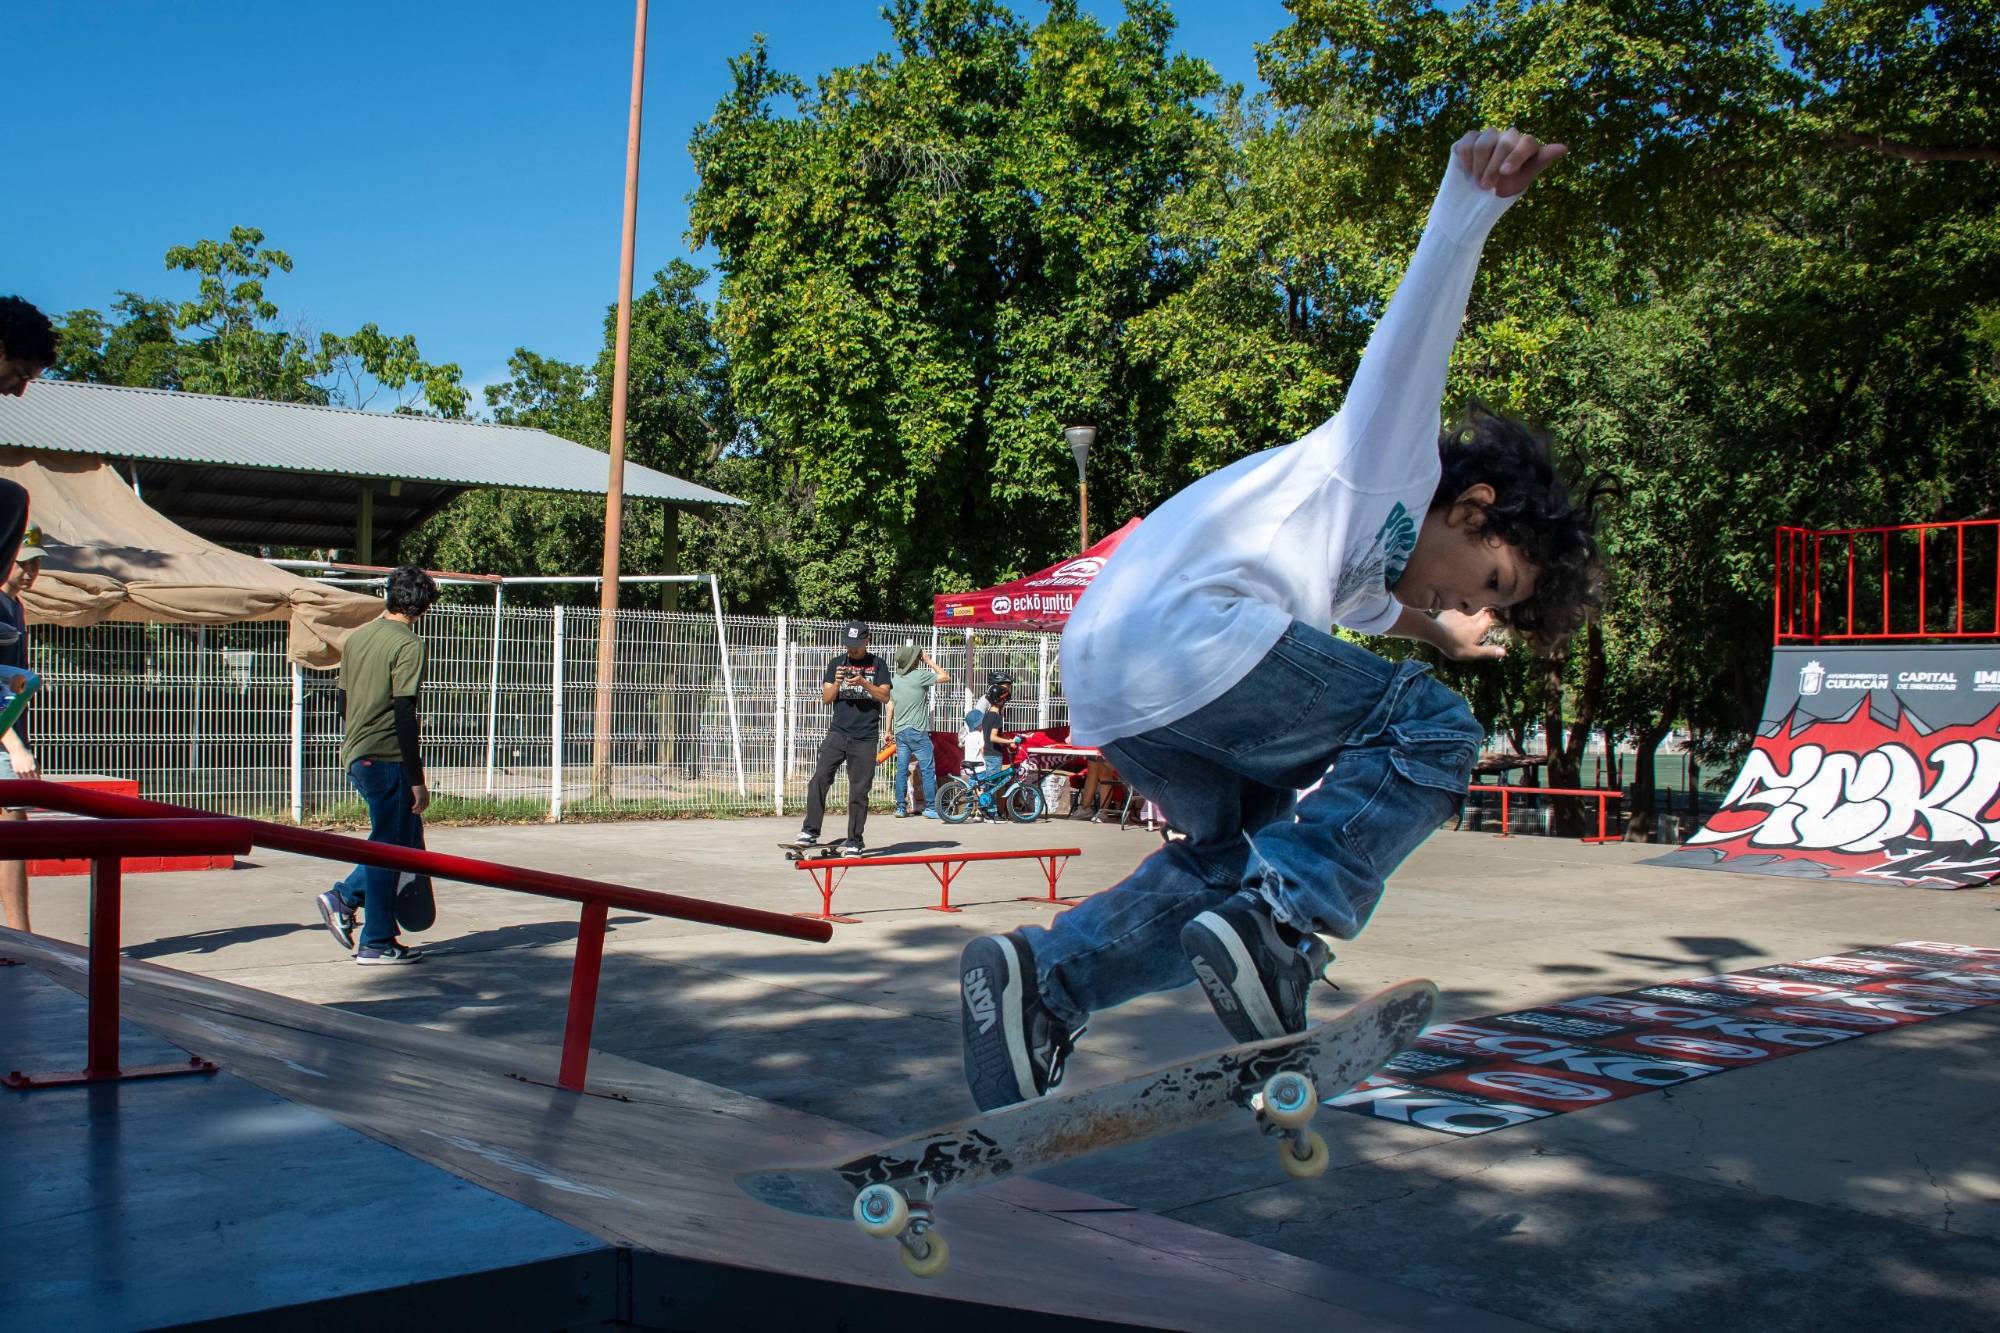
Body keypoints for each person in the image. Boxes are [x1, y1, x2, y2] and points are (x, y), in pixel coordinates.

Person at [959, 129, 1607, 1110]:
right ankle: (1281, 927)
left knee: (1229, 868)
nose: (1469, 606)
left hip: (1117, 680)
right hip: (1189, 643)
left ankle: (1047, 984)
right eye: (1488, 583)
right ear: (1471, 510)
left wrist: (1440, 633)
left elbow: (1375, 607)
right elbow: (1410, 342)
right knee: (1431, 727)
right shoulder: (1385, 465)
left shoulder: (1347, 559)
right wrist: (1465, 207)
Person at [315, 565, 439, 964]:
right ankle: (370, 933)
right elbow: (405, 712)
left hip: (356, 753)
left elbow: (342, 702)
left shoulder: (357, 638)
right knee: (390, 848)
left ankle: (359, 911)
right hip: (386, 758)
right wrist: (416, 778)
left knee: (398, 842)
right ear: (423, 606)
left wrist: (359, 736)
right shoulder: (408, 644)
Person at [793, 620, 890, 854]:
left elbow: (885, 696)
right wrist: (837, 681)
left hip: (865, 737)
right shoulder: (836, 663)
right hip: (838, 733)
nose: (852, 649)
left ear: (867, 641)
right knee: (819, 779)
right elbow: (826, 699)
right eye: (848, 644)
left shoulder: (878, 664)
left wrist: (864, 682)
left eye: (856, 645)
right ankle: (810, 831)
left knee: (859, 790)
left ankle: (855, 840)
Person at [0, 529, 46, 932]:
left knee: (14, 827)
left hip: (10, 727)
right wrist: (14, 744)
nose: (31, 571)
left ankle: (19, 933)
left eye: (35, 563)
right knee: (12, 828)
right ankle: (19, 935)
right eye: (23, 561)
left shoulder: (14, 606)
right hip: (3, 736)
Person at [888, 644, 949, 818]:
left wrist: (888, 730)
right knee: (927, 769)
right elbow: (945, 677)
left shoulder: (894, 680)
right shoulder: (919, 676)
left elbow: (890, 707)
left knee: (901, 770)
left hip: (900, 731)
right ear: (914, 661)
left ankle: (900, 807)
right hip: (918, 730)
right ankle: (930, 807)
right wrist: (929, 660)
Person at [963, 674, 1019, 820]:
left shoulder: (994, 706)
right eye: (1006, 686)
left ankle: (983, 810)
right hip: (984, 749)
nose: (1009, 689)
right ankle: (987, 812)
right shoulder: (987, 704)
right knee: (989, 783)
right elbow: (980, 727)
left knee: (985, 783)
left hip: (986, 747)